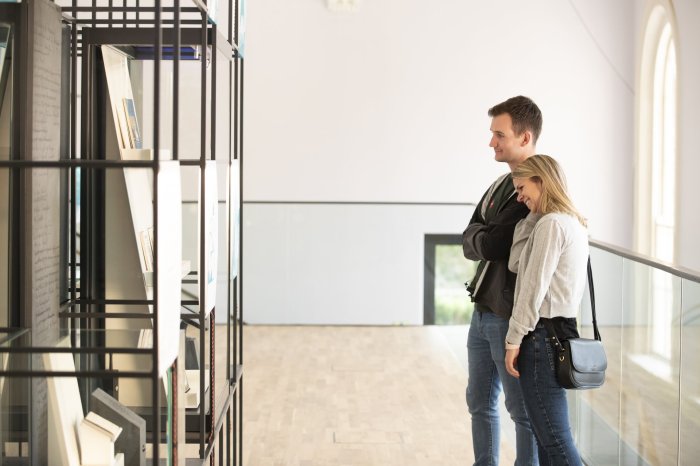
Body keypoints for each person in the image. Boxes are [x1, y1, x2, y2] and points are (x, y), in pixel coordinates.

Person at [462, 96, 541, 466]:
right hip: (482, 312)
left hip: (508, 317)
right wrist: (484, 237)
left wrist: (484, 237)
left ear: (524, 138)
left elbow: (493, 243)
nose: (491, 142)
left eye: (499, 134)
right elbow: (470, 238)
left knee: (522, 413)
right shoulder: (499, 185)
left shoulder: (536, 188)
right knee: (479, 403)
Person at [504, 154, 588, 465]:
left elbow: (531, 290)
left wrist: (513, 340)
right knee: (547, 438)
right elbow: (517, 263)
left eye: (522, 187)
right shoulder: (569, 222)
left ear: (542, 180)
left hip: (541, 337)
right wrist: (531, 216)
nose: (519, 195)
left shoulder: (552, 225)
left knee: (554, 440)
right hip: (559, 333)